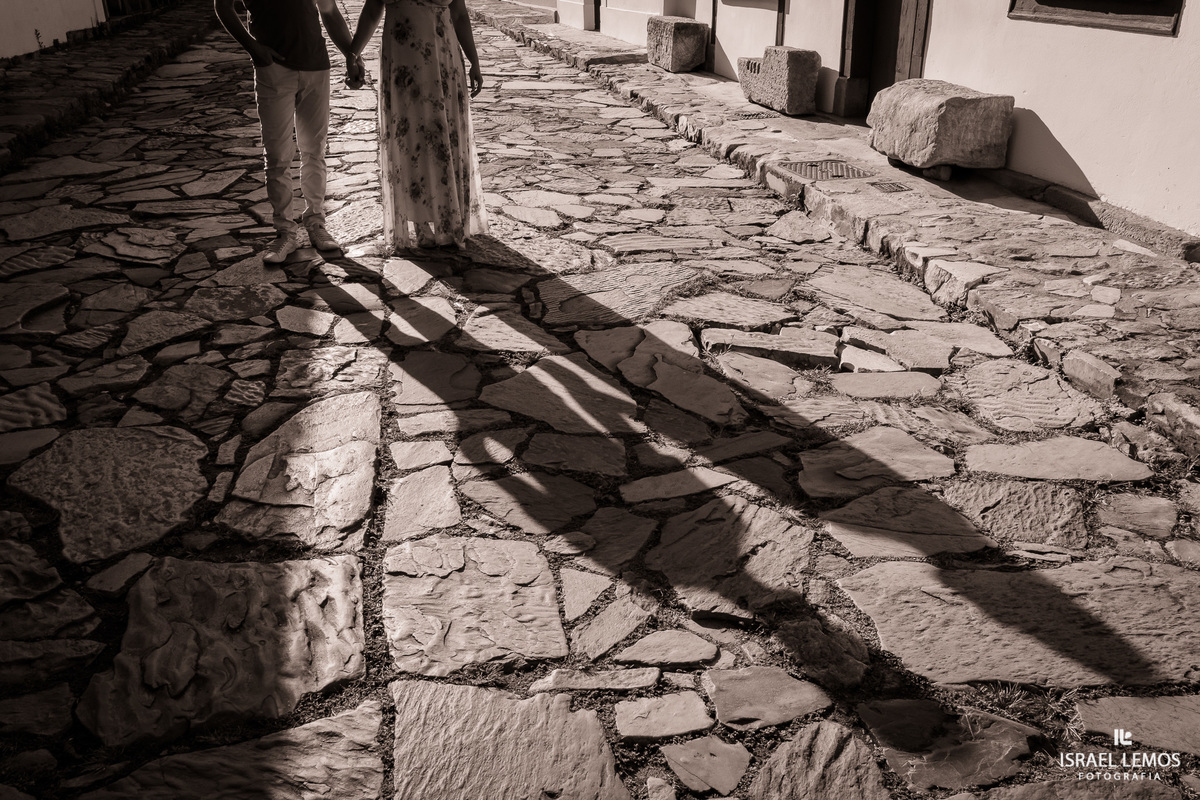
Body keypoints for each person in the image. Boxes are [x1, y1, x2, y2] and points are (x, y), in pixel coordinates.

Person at [214, 0, 364, 263]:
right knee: (277, 155)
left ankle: (316, 223)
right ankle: (284, 232)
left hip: (316, 65)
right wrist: (253, 48)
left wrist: (353, 56)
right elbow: (222, 6)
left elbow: (329, 11)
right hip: (273, 68)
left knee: (314, 150)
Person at [349, 0, 488, 249]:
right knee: (411, 138)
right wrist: (353, 53)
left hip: (443, 57)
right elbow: (372, 10)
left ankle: (449, 218)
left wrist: (474, 60)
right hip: (403, 62)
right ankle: (419, 222)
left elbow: (459, 12)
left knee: (443, 135)